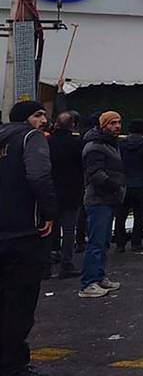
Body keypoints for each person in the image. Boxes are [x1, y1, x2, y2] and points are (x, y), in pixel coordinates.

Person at [0, 101, 56, 376]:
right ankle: (13, 363)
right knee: (20, 302)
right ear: (25, 119)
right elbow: (39, 175)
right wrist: (48, 212)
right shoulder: (30, 138)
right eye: (38, 115)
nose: (43, 120)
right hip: (23, 232)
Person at [79, 111, 125, 299]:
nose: (117, 126)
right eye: (112, 123)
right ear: (103, 125)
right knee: (96, 242)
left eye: (119, 122)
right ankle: (88, 283)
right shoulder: (95, 147)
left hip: (108, 199)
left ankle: (98, 277)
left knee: (104, 240)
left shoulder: (109, 144)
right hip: (99, 199)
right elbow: (95, 174)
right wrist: (114, 186)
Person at [49, 111, 84, 279]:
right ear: (73, 125)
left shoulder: (47, 141)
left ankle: (46, 265)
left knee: (49, 229)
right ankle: (66, 264)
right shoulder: (76, 143)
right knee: (69, 231)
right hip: (71, 192)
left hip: (51, 191)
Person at [115, 120, 143, 253]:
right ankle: (136, 242)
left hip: (124, 183)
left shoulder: (121, 145)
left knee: (121, 215)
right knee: (140, 215)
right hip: (141, 184)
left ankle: (120, 244)